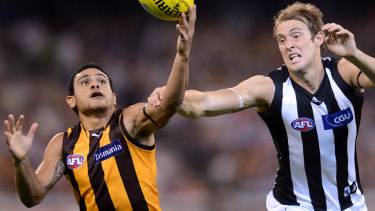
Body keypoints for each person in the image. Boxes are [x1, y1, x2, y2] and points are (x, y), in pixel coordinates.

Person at [148, 2, 375, 210]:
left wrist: (355, 54)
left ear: (319, 38)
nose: (289, 45)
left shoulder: (344, 72)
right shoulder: (269, 88)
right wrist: (173, 92)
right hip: (294, 206)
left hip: (352, 204)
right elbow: (203, 104)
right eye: (282, 40)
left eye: (296, 36)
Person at [3, 5, 196, 211]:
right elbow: (32, 197)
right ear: (71, 100)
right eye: (85, 82)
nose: (95, 84)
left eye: (102, 81)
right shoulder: (62, 144)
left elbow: (169, 105)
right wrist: (21, 161)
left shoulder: (129, 121)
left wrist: (182, 55)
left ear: (113, 97)